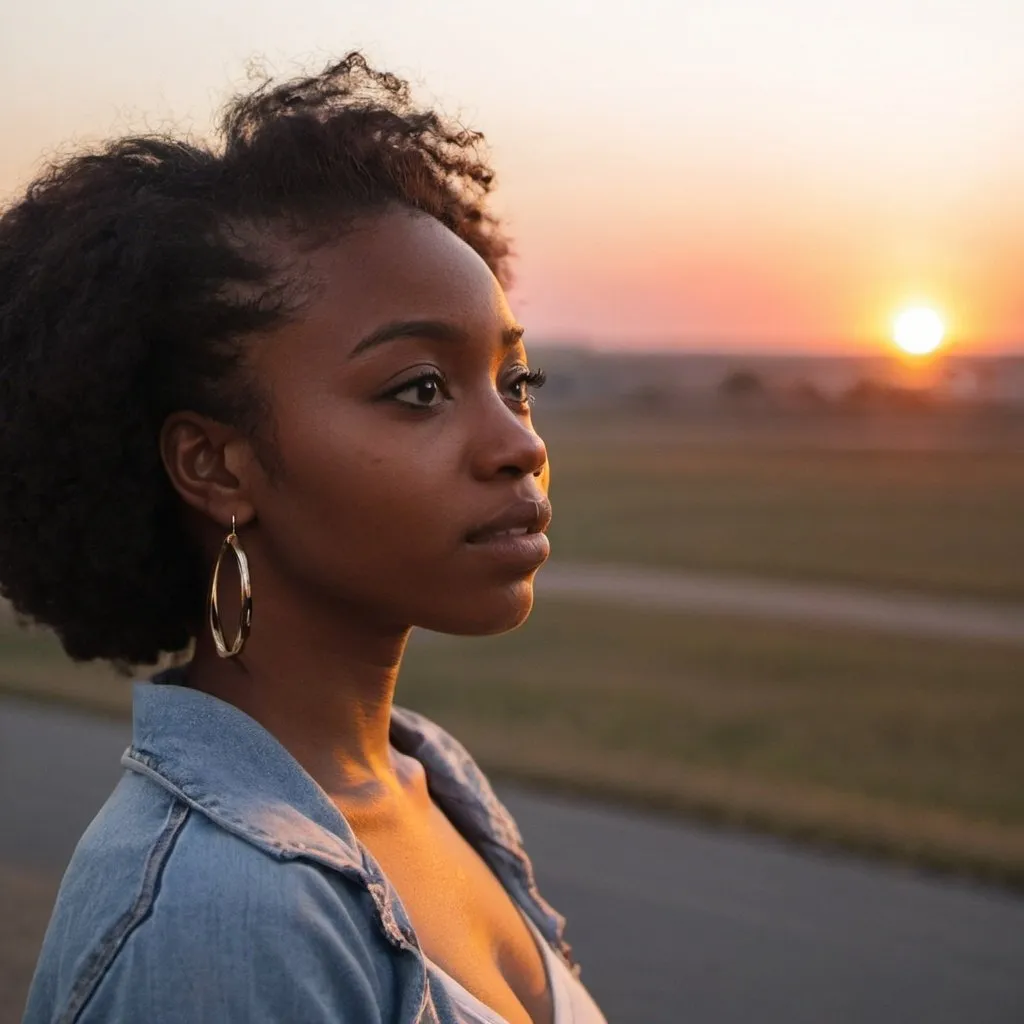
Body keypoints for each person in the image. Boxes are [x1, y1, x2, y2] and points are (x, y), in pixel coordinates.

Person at [2, 52, 608, 1024]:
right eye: (419, 389)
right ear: (217, 466)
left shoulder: (428, 784)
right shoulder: (218, 918)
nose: (518, 445)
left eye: (515, 383)